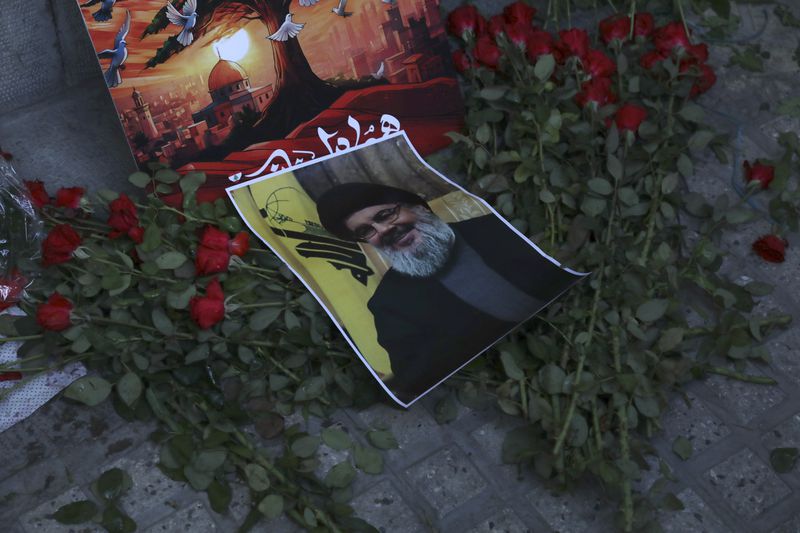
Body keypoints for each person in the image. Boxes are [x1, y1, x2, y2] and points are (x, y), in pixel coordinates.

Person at [316, 182, 580, 401]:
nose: (384, 231)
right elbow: (413, 378)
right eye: (366, 231)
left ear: (417, 207)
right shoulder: (389, 303)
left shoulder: (493, 228)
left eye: (385, 215)